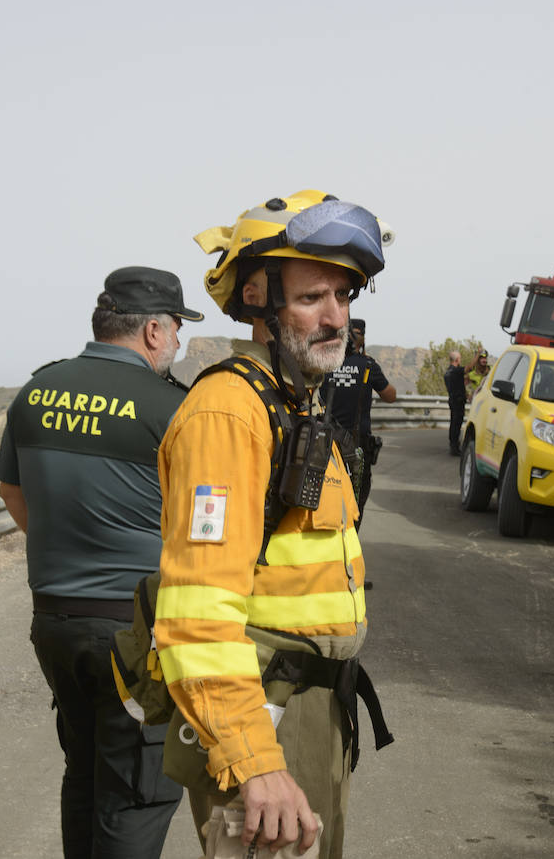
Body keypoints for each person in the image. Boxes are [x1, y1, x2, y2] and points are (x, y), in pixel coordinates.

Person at [156, 190, 394, 859]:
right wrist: (257, 762)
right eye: (313, 297)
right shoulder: (229, 413)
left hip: (312, 712)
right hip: (265, 719)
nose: (335, 317)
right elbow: (196, 617)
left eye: (344, 297)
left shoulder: (294, 402)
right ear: (257, 296)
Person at [0, 267, 198, 858]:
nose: (179, 342)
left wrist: (70, 545)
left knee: (83, 771)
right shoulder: (172, 408)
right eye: (178, 329)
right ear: (155, 331)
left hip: (55, 622)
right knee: (137, 789)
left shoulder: (37, 391)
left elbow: (11, 491)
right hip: (134, 631)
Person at [321, 318, 397, 528]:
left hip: (326, 442)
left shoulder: (324, 362)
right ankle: (350, 541)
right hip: (357, 447)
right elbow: (391, 395)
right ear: (361, 339)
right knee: (356, 500)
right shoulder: (368, 366)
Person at [444, 350, 467, 455]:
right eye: (460, 358)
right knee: (457, 423)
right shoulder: (456, 371)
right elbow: (468, 368)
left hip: (452, 399)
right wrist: (476, 356)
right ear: (457, 359)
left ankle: (453, 444)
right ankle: (454, 447)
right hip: (458, 401)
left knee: (453, 422)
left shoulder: (448, 372)